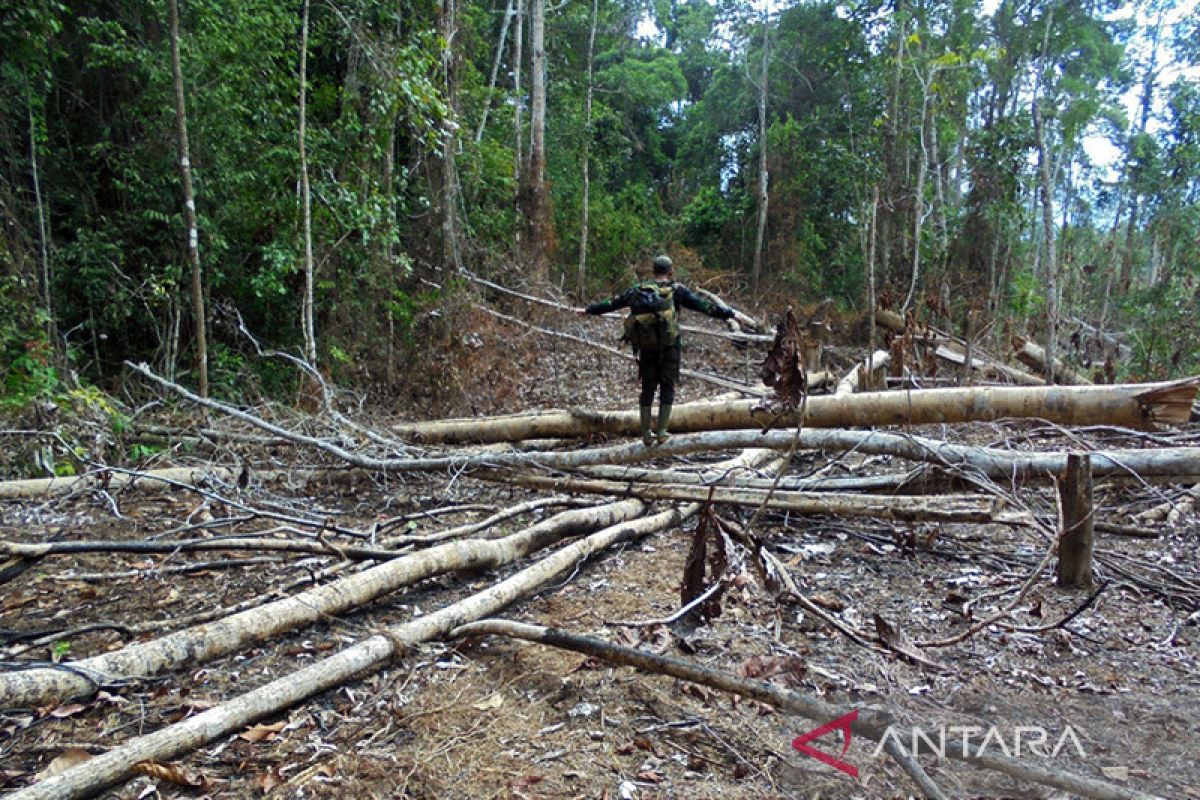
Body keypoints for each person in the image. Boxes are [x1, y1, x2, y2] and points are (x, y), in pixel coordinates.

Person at [576, 255, 736, 447]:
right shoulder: (676, 290)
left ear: (653, 271)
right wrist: (728, 314)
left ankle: (646, 434)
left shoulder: (637, 291)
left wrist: (589, 310)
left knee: (648, 388)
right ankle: (661, 431)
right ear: (671, 272)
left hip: (646, 348)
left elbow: (612, 303)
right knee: (667, 387)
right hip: (670, 348)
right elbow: (704, 306)